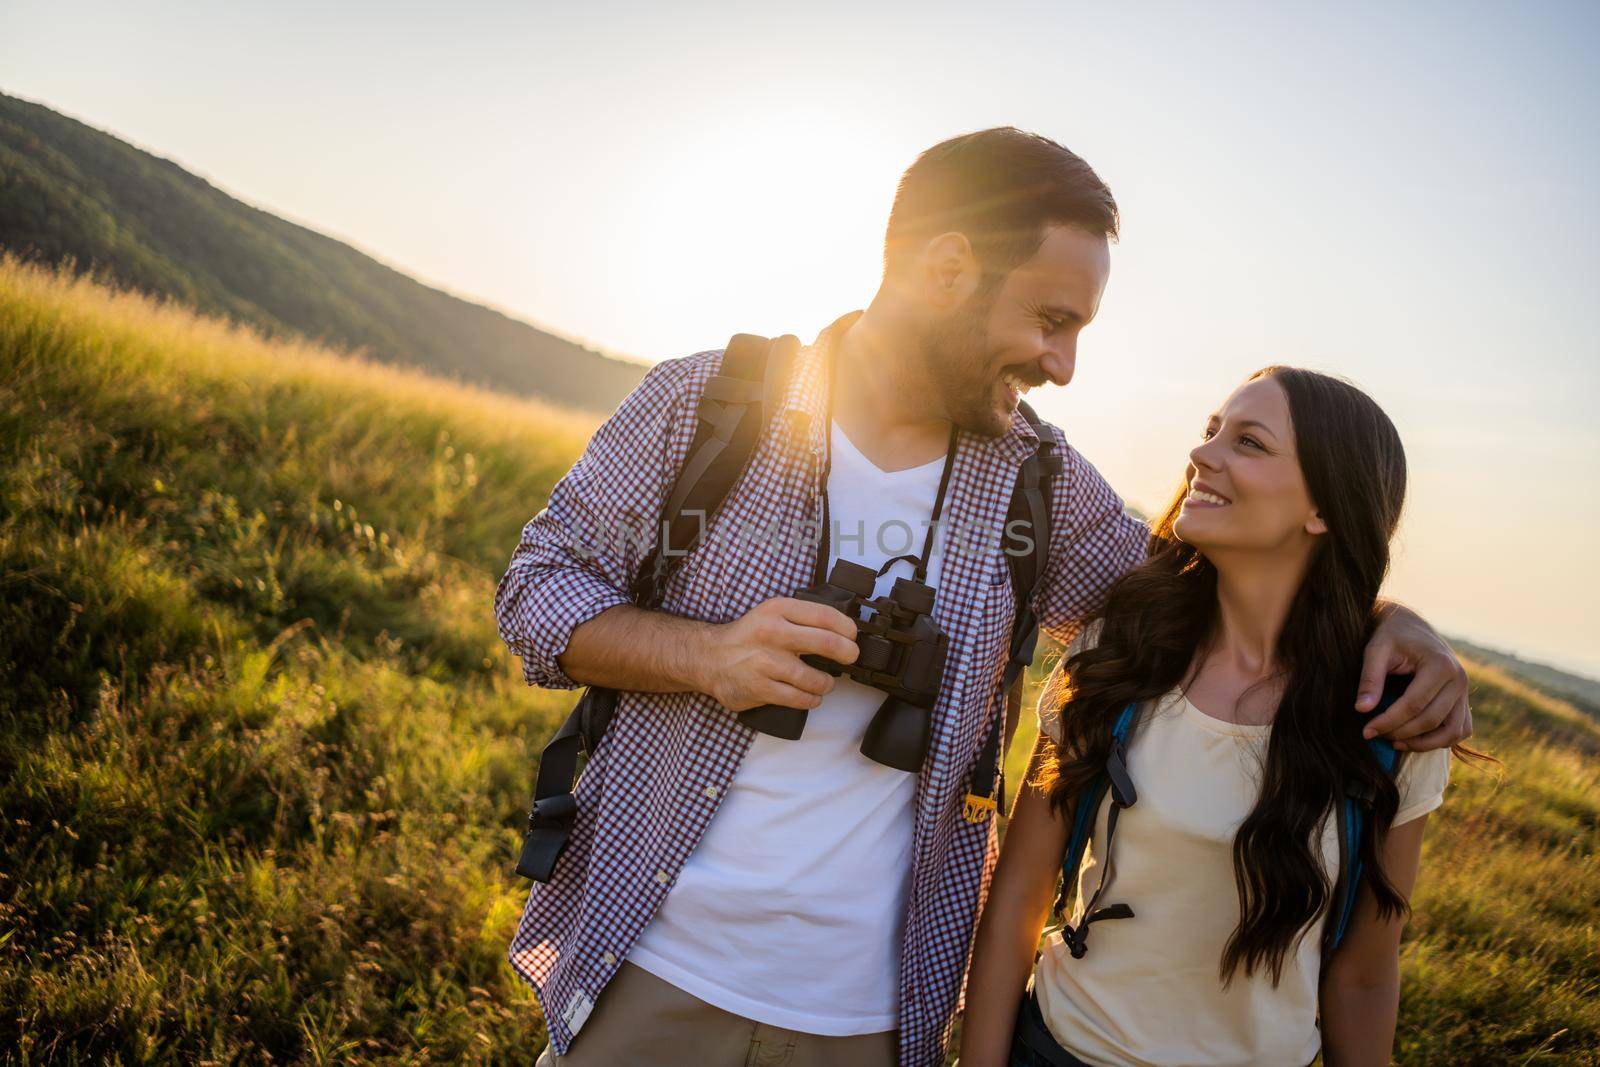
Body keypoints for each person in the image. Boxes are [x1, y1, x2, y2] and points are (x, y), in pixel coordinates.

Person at [493, 128, 1474, 1067]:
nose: (1062, 364)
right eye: (1052, 320)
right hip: (647, 973)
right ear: (947, 269)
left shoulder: (1039, 485)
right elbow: (536, 591)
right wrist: (704, 655)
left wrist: (1392, 623)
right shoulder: (704, 406)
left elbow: (1216, 592)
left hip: (874, 1018)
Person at [960, 367, 1468, 1067]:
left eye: (1250, 442)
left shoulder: (1388, 718)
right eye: (1210, 431)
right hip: (1057, 1048)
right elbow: (1017, 897)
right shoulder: (1122, 648)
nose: (1202, 455)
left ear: (1323, 507)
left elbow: (1366, 973)